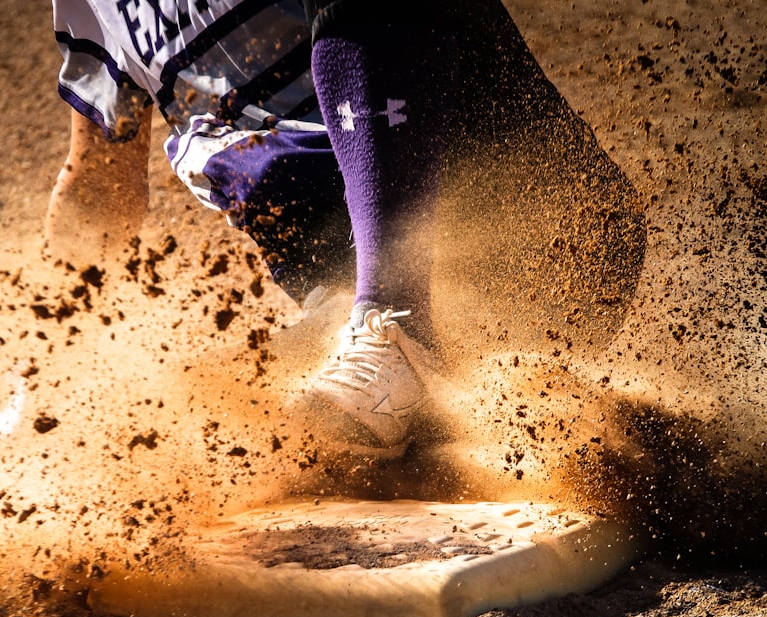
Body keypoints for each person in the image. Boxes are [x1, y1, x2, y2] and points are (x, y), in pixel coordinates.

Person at [46, 1, 496, 459]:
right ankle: (388, 369)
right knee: (184, 426)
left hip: (477, 207)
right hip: (337, 297)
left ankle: (403, 331)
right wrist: (53, 363)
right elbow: (99, 182)